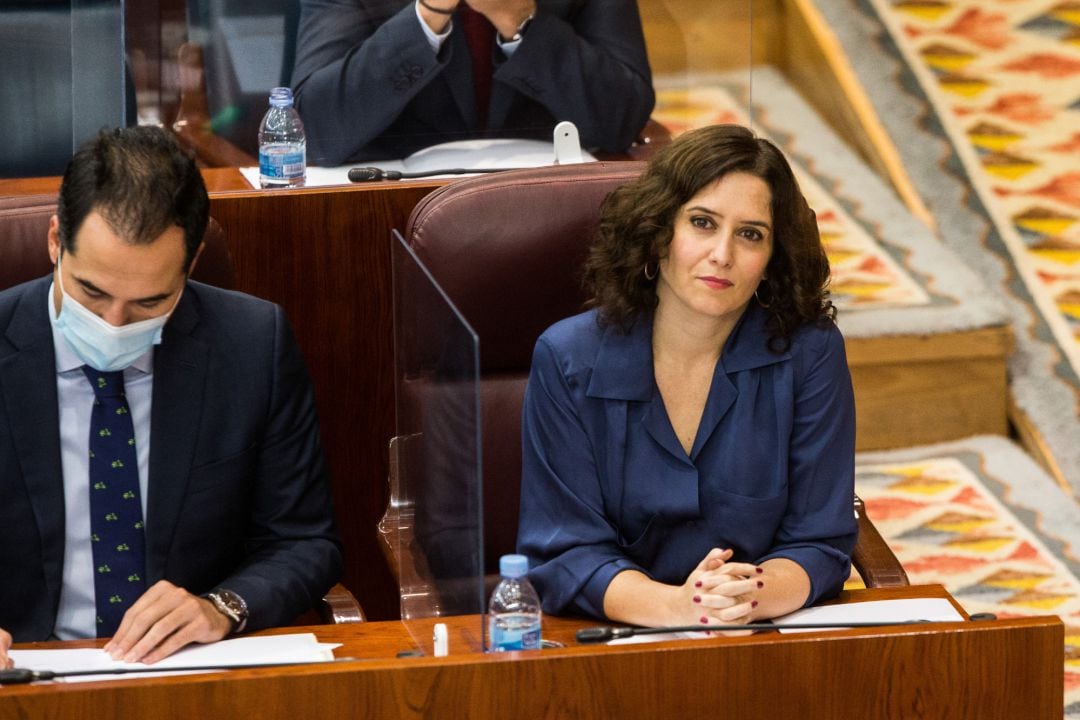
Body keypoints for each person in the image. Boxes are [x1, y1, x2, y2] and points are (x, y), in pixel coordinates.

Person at [0, 126, 342, 667]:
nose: (113, 323)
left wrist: (222, 607)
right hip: (23, 673)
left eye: (148, 302)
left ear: (192, 263)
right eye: (92, 292)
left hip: (186, 670)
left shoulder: (252, 346)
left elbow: (304, 541)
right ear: (53, 242)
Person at [517, 124, 857, 628]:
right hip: (618, 638)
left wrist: (745, 597)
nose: (722, 254)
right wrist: (682, 607)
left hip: (760, 631)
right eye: (702, 223)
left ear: (771, 260)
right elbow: (570, 552)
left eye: (750, 234)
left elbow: (818, 538)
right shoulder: (568, 358)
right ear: (658, 234)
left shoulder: (808, 353)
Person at [291, 0, 655, 165]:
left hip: (549, 206)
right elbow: (317, 132)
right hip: (389, 213)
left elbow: (621, 121)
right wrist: (428, 13)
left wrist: (519, 19)